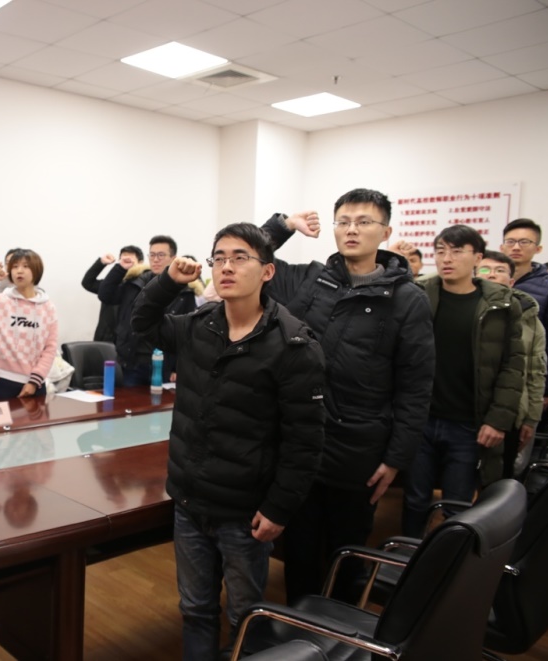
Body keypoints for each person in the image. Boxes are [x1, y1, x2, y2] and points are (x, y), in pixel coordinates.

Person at [131, 223, 325, 658]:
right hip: (190, 502)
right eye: (218, 258)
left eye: (240, 258)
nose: (226, 267)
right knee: (195, 609)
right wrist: (168, 282)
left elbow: (305, 441)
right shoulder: (198, 325)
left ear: (268, 272)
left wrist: (278, 508)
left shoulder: (294, 345)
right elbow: (141, 323)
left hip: (245, 512)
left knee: (245, 616)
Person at [261, 188, 435, 604]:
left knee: (346, 553)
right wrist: (283, 225)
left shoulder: (407, 299)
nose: (351, 230)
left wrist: (396, 458)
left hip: (358, 449)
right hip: (299, 442)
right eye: (344, 221)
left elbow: (416, 385)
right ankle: (298, 627)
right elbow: (248, 253)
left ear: (385, 232)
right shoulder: (311, 280)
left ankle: (338, 629)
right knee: (299, 549)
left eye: (364, 222)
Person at [402, 226, 524, 537]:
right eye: (441, 251)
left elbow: (512, 366)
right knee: (415, 499)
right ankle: (405, 556)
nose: (447, 259)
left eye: (457, 251)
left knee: (457, 505)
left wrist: (498, 420)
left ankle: (450, 561)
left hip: (468, 422)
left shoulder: (501, 305)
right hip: (421, 419)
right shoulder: (419, 294)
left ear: (477, 258)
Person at [476, 251, 546, 479]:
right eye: (485, 269)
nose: (492, 275)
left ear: (512, 281)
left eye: (500, 271)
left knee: (498, 478)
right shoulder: (466, 309)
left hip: (512, 413)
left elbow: (535, 372)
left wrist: (531, 419)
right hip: (467, 410)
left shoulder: (529, 318)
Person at [98, 235, 199, 386]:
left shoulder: (185, 291)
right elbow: (105, 295)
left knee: (160, 401)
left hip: (163, 364)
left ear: (173, 258)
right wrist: (119, 268)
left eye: (161, 255)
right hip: (132, 361)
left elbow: (187, 333)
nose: (155, 259)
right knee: (130, 400)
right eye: (152, 255)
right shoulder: (135, 282)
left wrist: (177, 367)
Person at [0, 249, 59, 401]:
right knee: (3, 418)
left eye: (25, 266)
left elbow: (50, 348)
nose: (19, 271)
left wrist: (34, 381)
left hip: (36, 384)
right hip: (2, 381)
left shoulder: (48, 308)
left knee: (36, 419)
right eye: (15, 266)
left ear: (36, 270)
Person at [501, 218, 548, 431]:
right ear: (502, 246)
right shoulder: (490, 280)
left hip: (529, 378)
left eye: (524, 242)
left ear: (538, 248)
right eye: (510, 241)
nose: (516, 247)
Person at [81, 245, 143, 343]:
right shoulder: (110, 285)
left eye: (130, 258)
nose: (127, 261)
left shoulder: (141, 286)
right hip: (104, 337)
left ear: (140, 263)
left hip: (127, 340)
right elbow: (88, 283)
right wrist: (101, 262)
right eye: (124, 257)